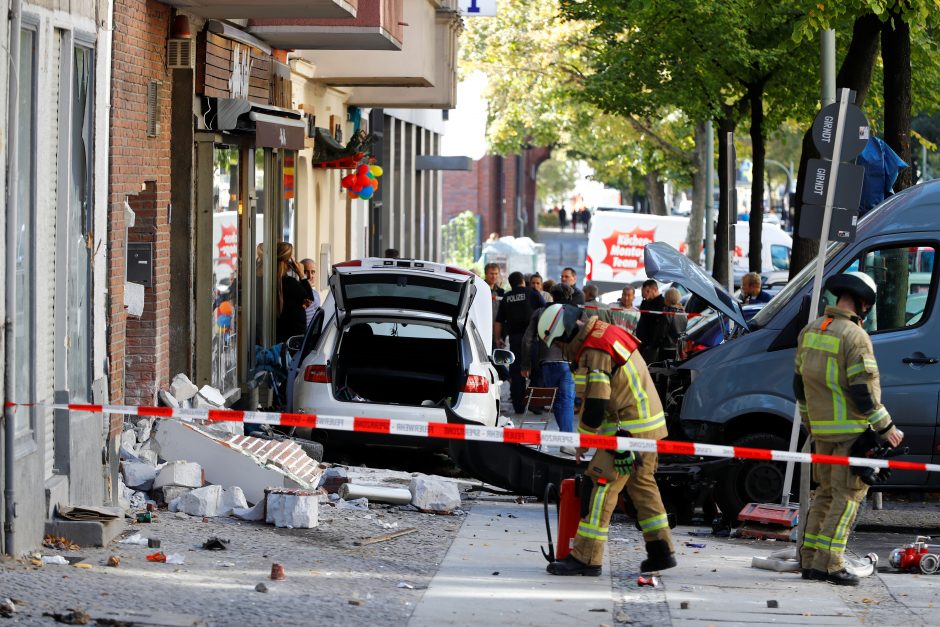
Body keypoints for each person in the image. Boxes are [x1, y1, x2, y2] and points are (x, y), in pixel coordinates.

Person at [539, 303, 677, 576]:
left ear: (566, 332)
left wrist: (584, 441)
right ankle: (661, 550)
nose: (560, 350)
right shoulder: (605, 332)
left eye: (557, 342)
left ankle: (586, 558)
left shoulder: (594, 348)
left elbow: (596, 403)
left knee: (601, 487)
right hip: (648, 426)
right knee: (642, 487)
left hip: (627, 432)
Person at [795, 271, 903, 586]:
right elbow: (862, 389)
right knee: (846, 498)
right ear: (863, 303)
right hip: (850, 433)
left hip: (821, 431)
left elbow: (799, 385)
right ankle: (830, 565)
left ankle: (810, 561)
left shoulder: (811, 330)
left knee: (824, 495)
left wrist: (809, 422)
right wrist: (887, 427)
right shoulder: (854, 336)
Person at [520, 283, 577, 448]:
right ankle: (567, 441)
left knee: (558, 401)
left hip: (546, 363)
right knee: (565, 401)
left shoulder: (540, 312)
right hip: (567, 362)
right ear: (570, 296)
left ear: (552, 295)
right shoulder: (576, 312)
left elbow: (527, 340)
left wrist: (525, 365)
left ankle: (564, 439)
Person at [495, 272, 545, 414]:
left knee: (516, 372)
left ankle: (518, 406)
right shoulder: (533, 293)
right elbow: (545, 311)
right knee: (537, 370)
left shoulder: (507, 297)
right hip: (532, 338)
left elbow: (499, 321)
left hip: (515, 339)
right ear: (523, 281)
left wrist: (498, 339)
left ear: (510, 283)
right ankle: (535, 403)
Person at [275, 242, 310, 344]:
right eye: (293, 256)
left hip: (283, 338)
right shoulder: (290, 283)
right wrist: (301, 275)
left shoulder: (277, 281)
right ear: (289, 260)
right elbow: (310, 298)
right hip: (293, 341)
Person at [635, 279, 667, 363]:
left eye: (647, 291)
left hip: (652, 345)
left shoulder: (661, 303)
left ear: (654, 289)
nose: (644, 295)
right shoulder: (646, 302)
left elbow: (652, 316)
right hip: (643, 342)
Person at [661, 287, 688, 360]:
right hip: (679, 348)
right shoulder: (683, 312)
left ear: (667, 299)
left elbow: (662, 333)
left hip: (667, 348)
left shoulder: (667, 313)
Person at [300, 258, 321, 328]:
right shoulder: (297, 293)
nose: (310, 276)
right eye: (306, 272)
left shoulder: (316, 294)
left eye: (313, 272)